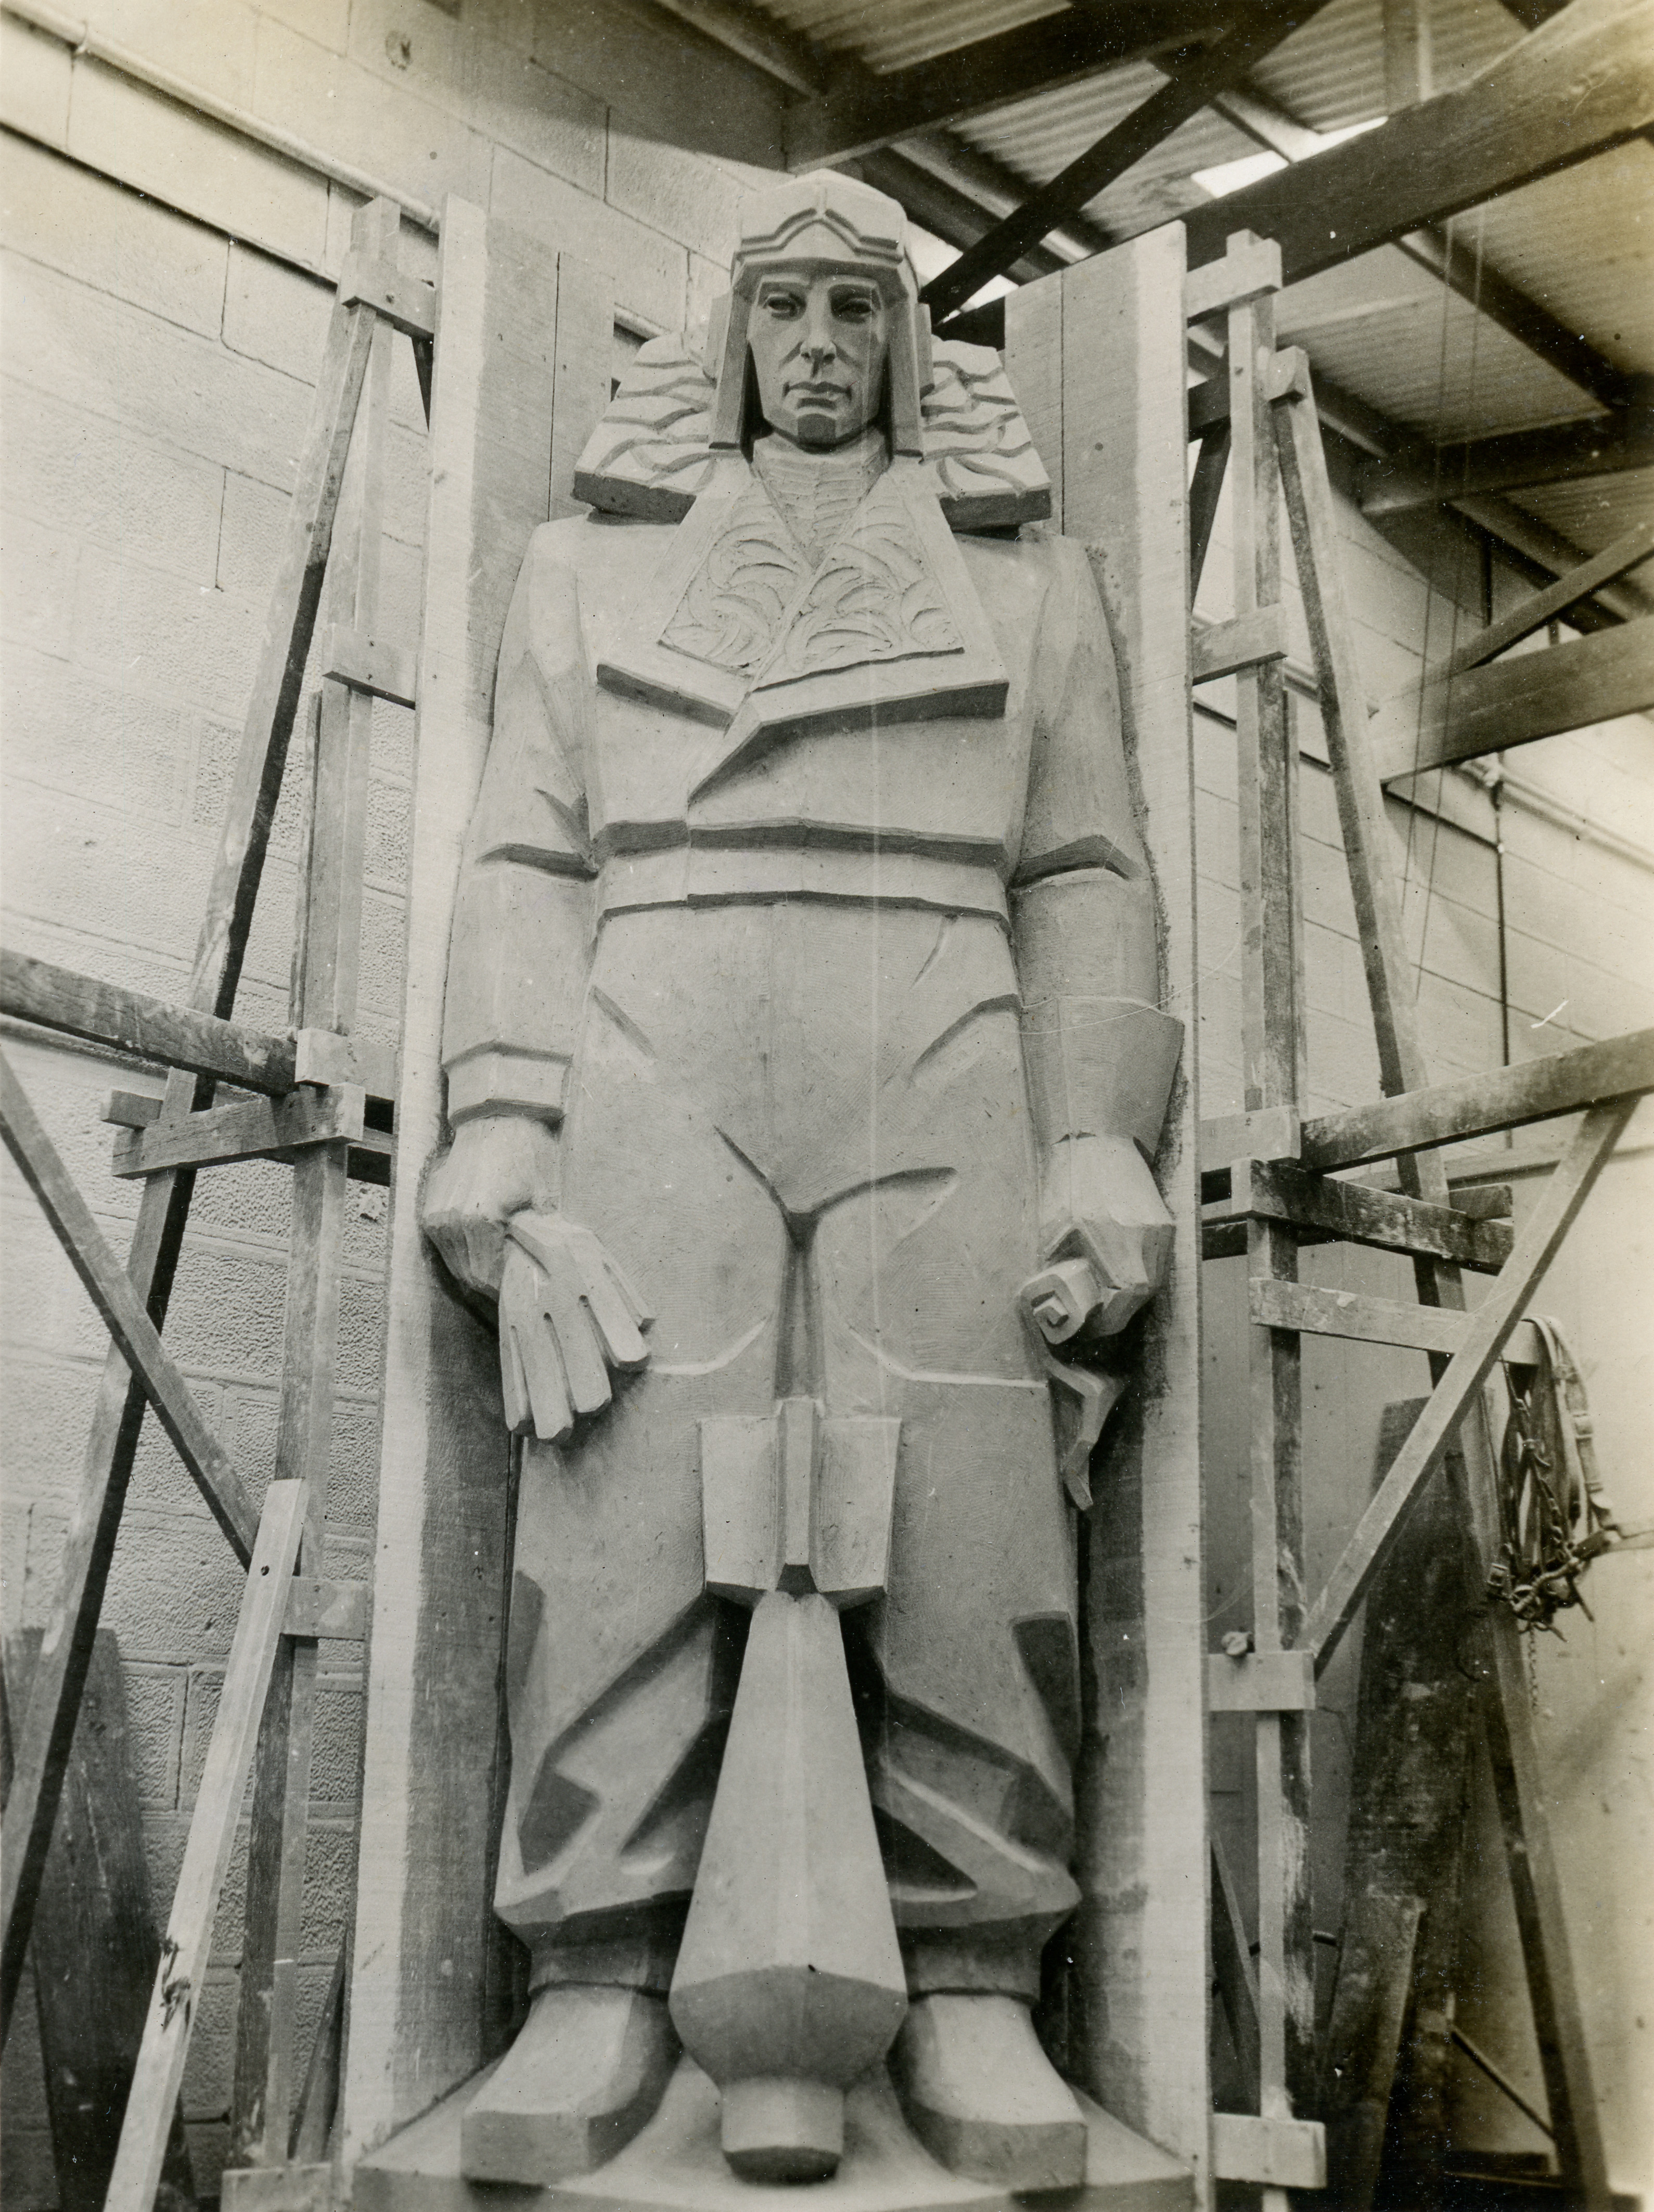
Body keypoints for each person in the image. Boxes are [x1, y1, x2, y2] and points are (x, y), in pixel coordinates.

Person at [421, 170, 1181, 2191]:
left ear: (911, 350)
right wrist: (501, 1109)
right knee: (622, 1476)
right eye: (792, 311)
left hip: (945, 1020)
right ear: (735, 346)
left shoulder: (1029, 591)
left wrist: (1100, 1124)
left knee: (973, 1503)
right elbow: (523, 854)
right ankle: (596, 1959)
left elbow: (1088, 870)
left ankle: (973, 1974)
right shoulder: (588, 572)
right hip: (659, 1022)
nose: (826, 344)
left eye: (862, 308)